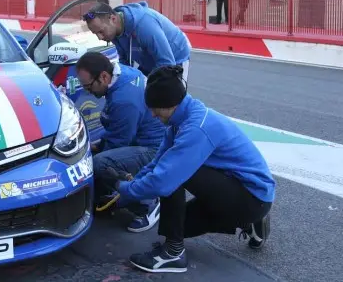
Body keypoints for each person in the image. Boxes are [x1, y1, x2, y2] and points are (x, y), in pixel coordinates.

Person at [115, 65, 276, 274]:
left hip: (251, 197)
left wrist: (126, 191)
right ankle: (251, 222)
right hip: (241, 189)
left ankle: (173, 254)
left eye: (155, 108)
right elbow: (158, 162)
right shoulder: (181, 119)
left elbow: (164, 179)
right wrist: (133, 183)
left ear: (170, 104)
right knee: (178, 226)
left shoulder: (196, 128)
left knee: (173, 177)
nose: (153, 115)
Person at [75, 52, 167, 233]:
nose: (88, 92)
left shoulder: (124, 101)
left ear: (103, 76)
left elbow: (118, 144)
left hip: (153, 150)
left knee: (98, 163)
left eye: (89, 86)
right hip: (145, 138)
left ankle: (147, 204)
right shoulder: (123, 73)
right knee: (93, 149)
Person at [83, 1, 190, 82]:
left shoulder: (145, 27)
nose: (100, 37)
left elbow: (167, 64)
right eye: (95, 33)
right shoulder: (113, 31)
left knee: (170, 98)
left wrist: (149, 85)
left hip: (176, 57)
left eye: (101, 31)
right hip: (149, 60)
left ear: (113, 19)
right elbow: (124, 62)